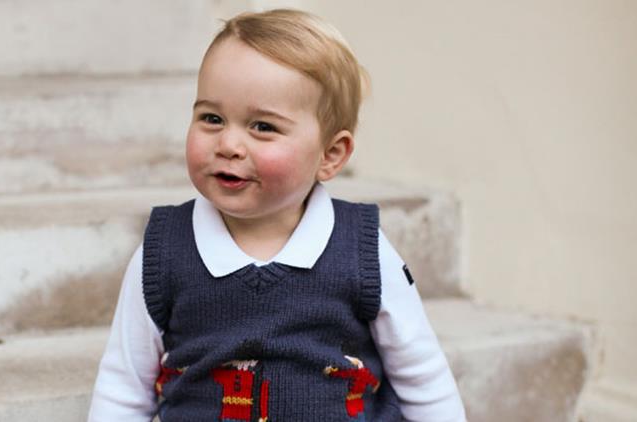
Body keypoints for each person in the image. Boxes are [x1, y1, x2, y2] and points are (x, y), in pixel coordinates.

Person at [88, 8, 465, 421]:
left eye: (263, 127)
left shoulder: (360, 249)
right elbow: (123, 386)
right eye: (212, 118)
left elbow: (422, 375)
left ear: (330, 155)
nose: (229, 143)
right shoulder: (165, 250)